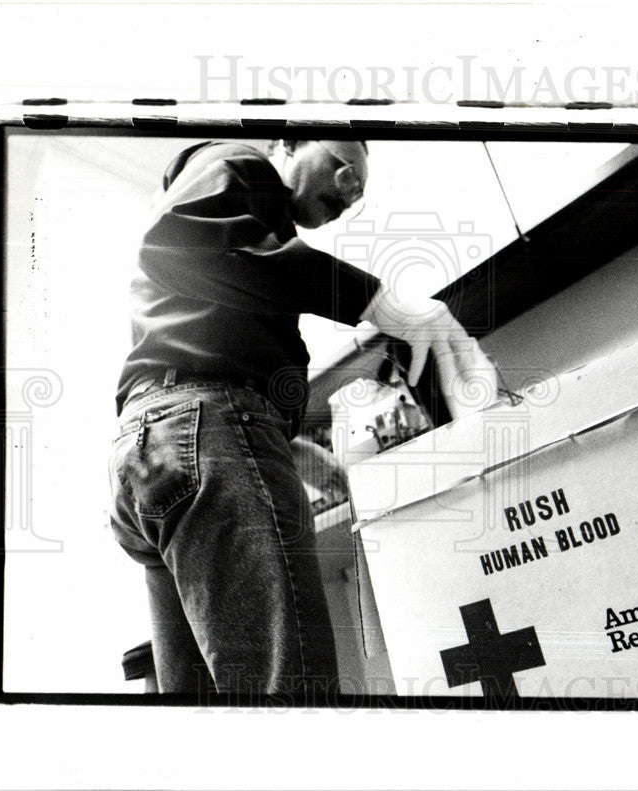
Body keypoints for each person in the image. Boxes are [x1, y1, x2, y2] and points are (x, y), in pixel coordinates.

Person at [107, 139, 479, 699]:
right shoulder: (242, 163)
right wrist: (379, 300)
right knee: (290, 697)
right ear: (287, 143)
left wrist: (291, 447)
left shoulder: (239, 249)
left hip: (148, 457)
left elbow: (196, 356)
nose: (352, 190)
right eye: (344, 165)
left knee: (203, 714)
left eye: (361, 188)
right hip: (202, 437)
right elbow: (186, 249)